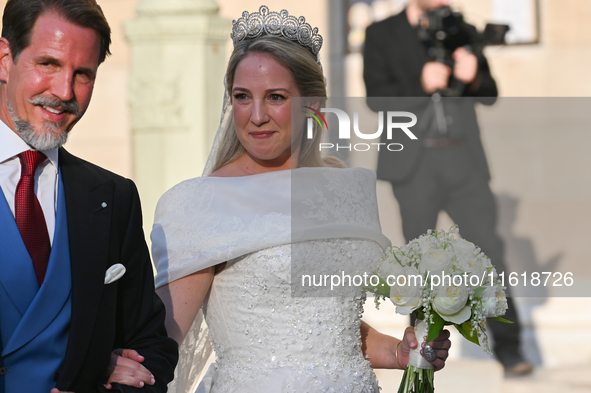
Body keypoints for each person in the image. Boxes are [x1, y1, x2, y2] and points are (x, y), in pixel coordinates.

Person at [148, 6, 451, 393]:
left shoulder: (345, 187)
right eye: (242, 96)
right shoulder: (200, 203)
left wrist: (397, 353)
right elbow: (159, 341)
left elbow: (329, 327)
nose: (256, 116)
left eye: (275, 97)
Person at [0, 0, 178, 391]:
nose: (64, 92)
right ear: (4, 59)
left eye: (83, 74)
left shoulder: (113, 197)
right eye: (48, 64)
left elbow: (151, 347)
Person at [362, 0, 532, 377]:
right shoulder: (381, 33)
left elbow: (489, 93)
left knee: (491, 256)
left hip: (464, 163)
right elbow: (377, 97)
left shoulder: (462, 29)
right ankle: (419, 356)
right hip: (415, 166)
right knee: (419, 267)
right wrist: (420, 84)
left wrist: (472, 78)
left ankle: (510, 349)